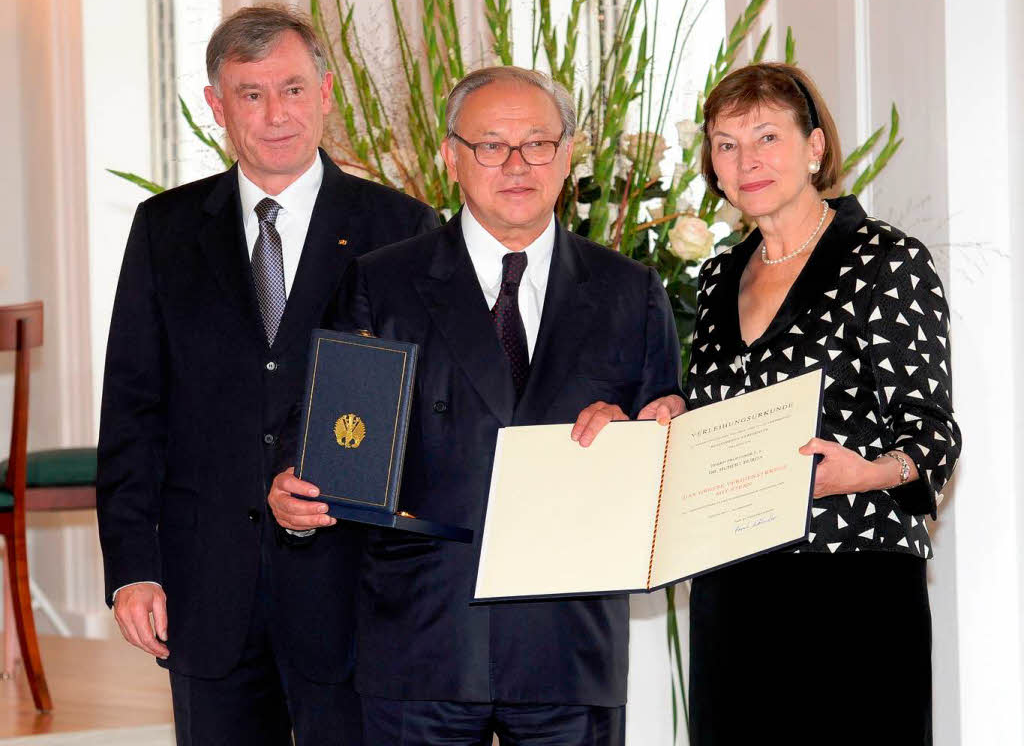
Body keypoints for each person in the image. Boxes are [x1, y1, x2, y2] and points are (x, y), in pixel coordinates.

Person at [268, 65, 681, 745]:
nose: (517, 165)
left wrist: (650, 436)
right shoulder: (381, 282)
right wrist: (295, 487)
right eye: (491, 145)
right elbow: (323, 425)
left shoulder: (630, 291)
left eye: (538, 144)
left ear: (569, 153)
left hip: (569, 648)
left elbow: (664, 447)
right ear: (452, 157)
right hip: (422, 637)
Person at [576, 62, 961, 745]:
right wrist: (668, 417)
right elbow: (719, 416)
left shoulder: (884, 259)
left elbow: (931, 435)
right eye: (726, 144)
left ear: (815, 147)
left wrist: (866, 472)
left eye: (766, 137)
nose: (746, 160)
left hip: (852, 588)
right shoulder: (719, 273)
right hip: (734, 589)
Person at [96, 5, 438, 746]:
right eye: (250, 94)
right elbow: (132, 410)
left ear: (325, 90)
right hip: (205, 590)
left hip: (355, 595)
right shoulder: (165, 230)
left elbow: (430, 417)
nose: (275, 114)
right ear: (218, 107)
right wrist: (132, 569)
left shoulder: (403, 229)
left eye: (290, 88)